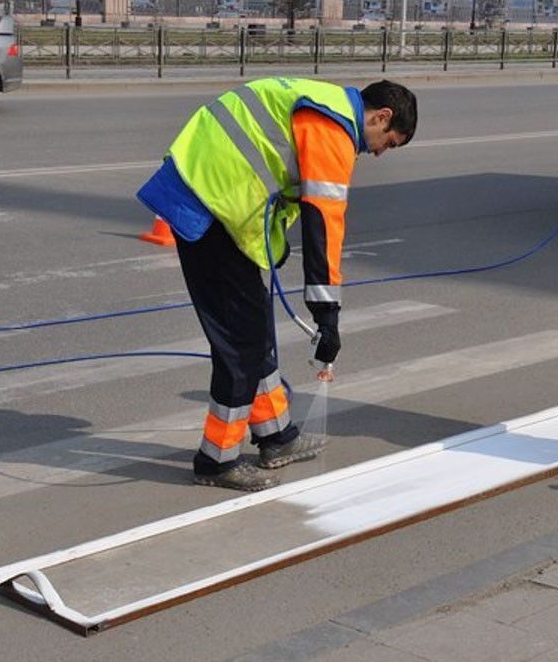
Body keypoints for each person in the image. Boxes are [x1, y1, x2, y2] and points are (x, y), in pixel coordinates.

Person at [137, 78, 418, 491]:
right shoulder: (333, 126)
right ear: (381, 116)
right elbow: (323, 224)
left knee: (254, 329)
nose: (379, 152)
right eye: (388, 142)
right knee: (241, 342)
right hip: (206, 207)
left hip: (217, 202)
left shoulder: (326, 104)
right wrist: (327, 314)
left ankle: (275, 436)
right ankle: (216, 460)